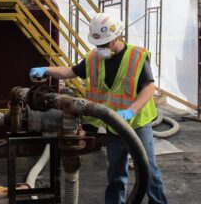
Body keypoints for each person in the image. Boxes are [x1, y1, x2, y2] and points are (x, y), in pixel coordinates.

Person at [29, 12, 167, 204]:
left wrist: (131, 111)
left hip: (137, 123)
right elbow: (71, 71)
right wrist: (46, 69)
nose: (101, 47)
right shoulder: (94, 58)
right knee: (116, 173)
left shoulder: (136, 56)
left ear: (116, 37)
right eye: (98, 44)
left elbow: (149, 87)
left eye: (105, 43)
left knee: (149, 171)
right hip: (114, 125)